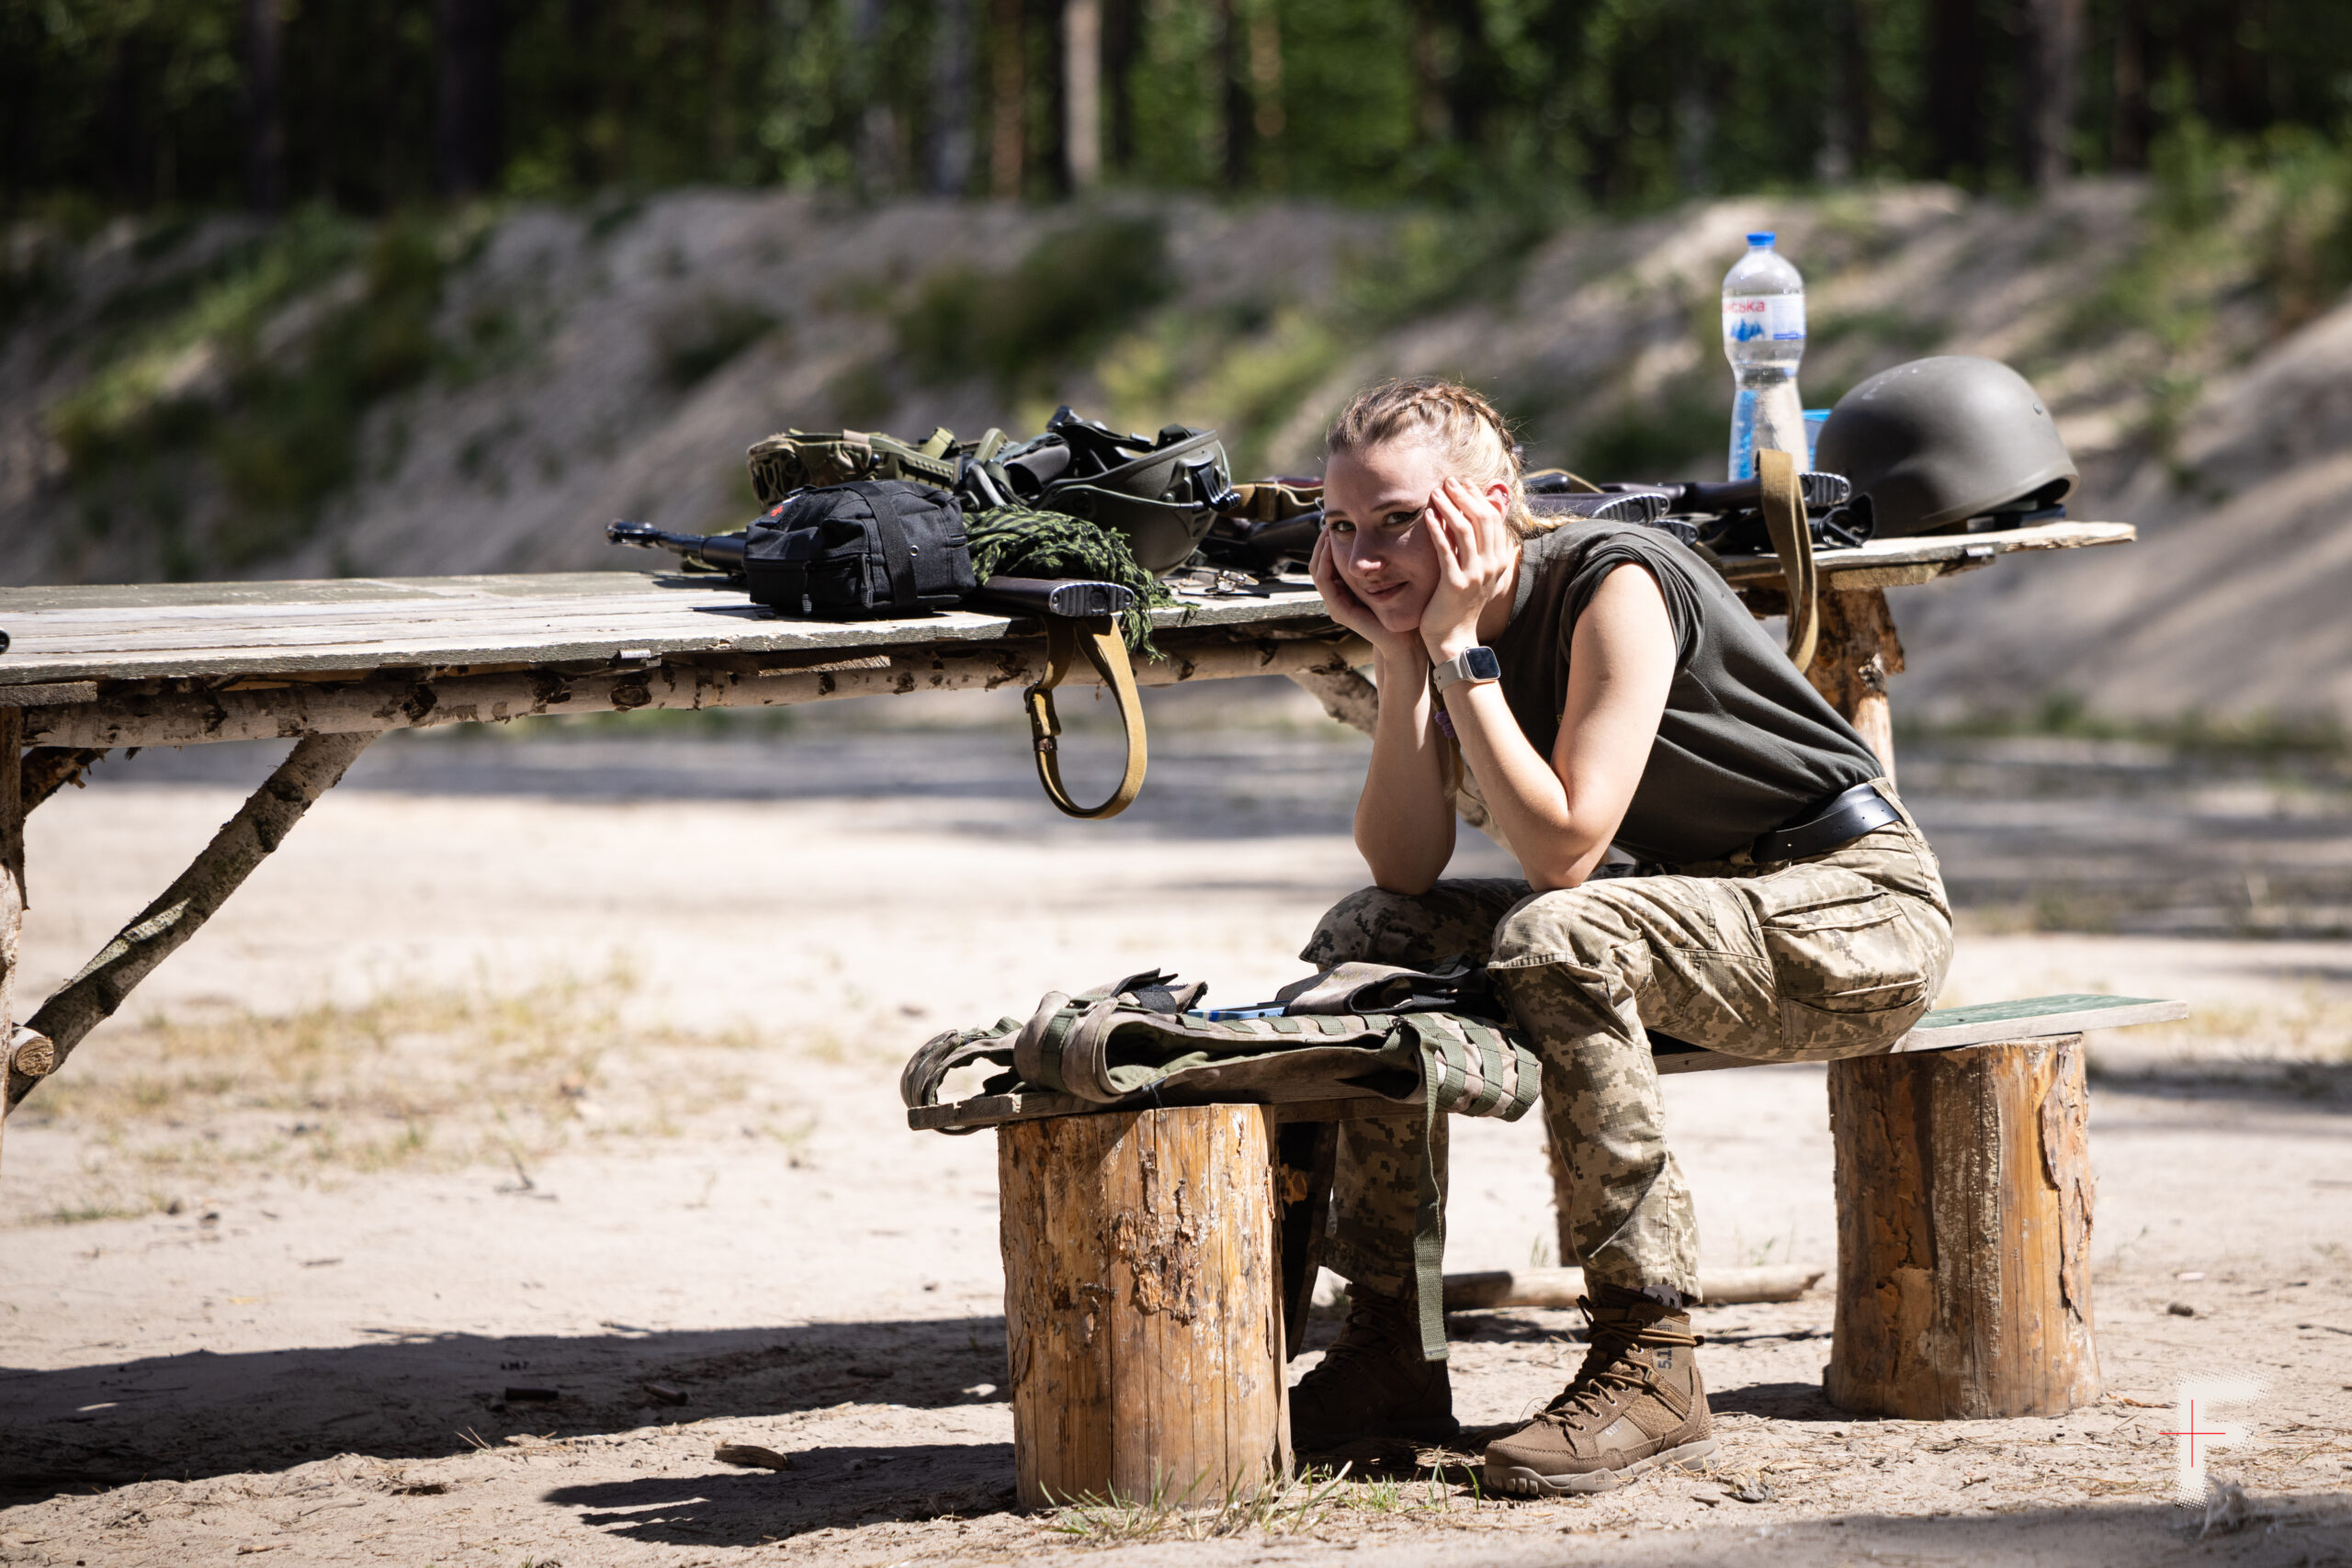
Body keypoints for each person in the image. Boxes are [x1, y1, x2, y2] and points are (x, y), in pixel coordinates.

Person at [1291, 377, 1953, 1495]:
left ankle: (1649, 1353)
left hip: (1852, 907)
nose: (1364, 557)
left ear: (1490, 502)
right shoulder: (1438, 625)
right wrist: (1405, 657)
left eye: (1399, 521)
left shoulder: (1615, 580)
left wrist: (1455, 654)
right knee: (1376, 933)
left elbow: (1563, 857)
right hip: (1695, 908)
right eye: (1342, 527)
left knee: (1560, 935)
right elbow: (1401, 871)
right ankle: (1391, 1346)